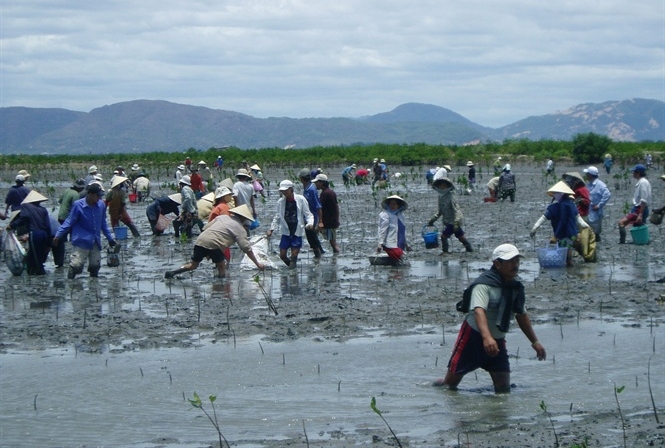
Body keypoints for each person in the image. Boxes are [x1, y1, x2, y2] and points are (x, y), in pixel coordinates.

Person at [433, 244, 546, 393]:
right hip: (472, 338)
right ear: (497, 264)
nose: (515, 265)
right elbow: (479, 311)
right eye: (510, 261)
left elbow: (521, 315)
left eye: (517, 261)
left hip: (497, 340)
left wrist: (535, 342)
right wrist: (486, 338)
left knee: (503, 389)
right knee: (449, 385)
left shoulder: (515, 287)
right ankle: (431, 387)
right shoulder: (483, 284)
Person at [164, 205, 265, 279]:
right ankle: (220, 287)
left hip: (201, 240)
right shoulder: (240, 229)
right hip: (214, 244)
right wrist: (257, 264)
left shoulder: (222, 217)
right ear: (245, 218)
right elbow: (246, 248)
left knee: (193, 265)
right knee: (222, 267)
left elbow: (205, 228)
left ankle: (173, 272)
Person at [53, 183, 117, 279]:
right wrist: (58, 235)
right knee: (76, 266)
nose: (99, 198)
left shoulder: (101, 205)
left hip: (95, 241)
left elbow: (103, 223)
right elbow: (69, 221)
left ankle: (93, 288)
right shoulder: (78, 205)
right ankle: (71, 283)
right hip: (81, 241)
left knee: (95, 266)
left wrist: (110, 239)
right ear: (90, 194)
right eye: (97, 196)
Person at [530, 181, 589, 266]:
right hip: (573, 234)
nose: (555, 194)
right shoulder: (572, 205)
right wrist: (588, 229)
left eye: (556, 193)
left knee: (567, 257)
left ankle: (570, 272)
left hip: (564, 235)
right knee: (568, 252)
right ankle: (573, 269)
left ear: (561, 193)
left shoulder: (555, 207)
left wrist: (535, 229)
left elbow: (560, 221)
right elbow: (580, 220)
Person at [266, 180, 314, 269]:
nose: (284, 193)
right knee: (282, 255)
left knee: (294, 256)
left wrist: (310, 223)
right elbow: (277, 216)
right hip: (286, 230)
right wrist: (271, 229)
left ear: (291, 189)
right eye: (282, 191)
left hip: (297, 230)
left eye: (286, 190)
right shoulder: (281, 202)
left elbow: (308, 214)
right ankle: (292, 270)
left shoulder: (300, 199)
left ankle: (293, 275)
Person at [7, 191, 51, 275]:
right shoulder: (43, 209)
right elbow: (48, 226)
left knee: (36, 256)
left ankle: (41, 273)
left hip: (35, 234)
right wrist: (48, 241)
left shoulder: (25, 206)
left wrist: (12, 225)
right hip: (44, 234)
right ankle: (31, 271)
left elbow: (24, 217)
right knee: (37, 254)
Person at [427, 177, 473, 254]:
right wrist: (432, 220)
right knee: (460, 236)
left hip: (454, 220)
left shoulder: (451, 196)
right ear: (438, 186)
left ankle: (445, 252)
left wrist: (456, 223)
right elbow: (440, 211)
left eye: (444, 185)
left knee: (443, 236)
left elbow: (457, 210)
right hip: (448, 220)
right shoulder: (440, 197)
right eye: (440, 185)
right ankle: (469, 248)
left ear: (448, 186)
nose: (442, 187)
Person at [618, 164, 651, 244]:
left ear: (638, 173)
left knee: (621, 223)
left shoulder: (642, 183)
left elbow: (643, 200)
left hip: (639, 209)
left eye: (634, 172)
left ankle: (622, 242)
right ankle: (642, 241)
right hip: (640, 209)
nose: (633, 174)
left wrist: (640, 214)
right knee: (639, 227)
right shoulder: (642, 182)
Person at [299, 168, 325, 258]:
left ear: (301, 178)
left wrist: (320, 221)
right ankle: (320, 254)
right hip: (307, 217)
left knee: (312, 238)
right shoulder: (307, 188)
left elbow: (318, 206)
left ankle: (318, 256)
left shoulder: (311, 190)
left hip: (312, 218)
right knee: (312, 238)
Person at [377, 195, 411, 263]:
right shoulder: (385, 215)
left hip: (399, 243)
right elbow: (383, 230)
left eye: (394, 204)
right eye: (390, 204)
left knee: (401, 260)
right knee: (399, 256)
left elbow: (403, 231)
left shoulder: (401, 216)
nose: (392, 206)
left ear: (399, 205)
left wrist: (407, 244)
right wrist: (380, 243)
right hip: (390, 244)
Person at [314, 173, 340, 253]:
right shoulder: (328, 192)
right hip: (330, 221)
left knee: (333, 243)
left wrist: (320, 222)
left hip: (329, 222)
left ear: (321, 183)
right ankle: (321, 251)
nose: (316, 185)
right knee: (315, 235)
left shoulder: (326, 194)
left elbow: (320, 207)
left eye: (317, 183)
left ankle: (335, 255)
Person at [584, 166, 611, 242]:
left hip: (596, 211)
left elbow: (607, 194)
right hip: (589, 210)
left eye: (587, 174)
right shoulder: (589, 184)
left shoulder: (600, 185)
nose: (586, 175)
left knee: (595, 230)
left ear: (590, 175)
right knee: (590, 228)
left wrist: (599, 205)